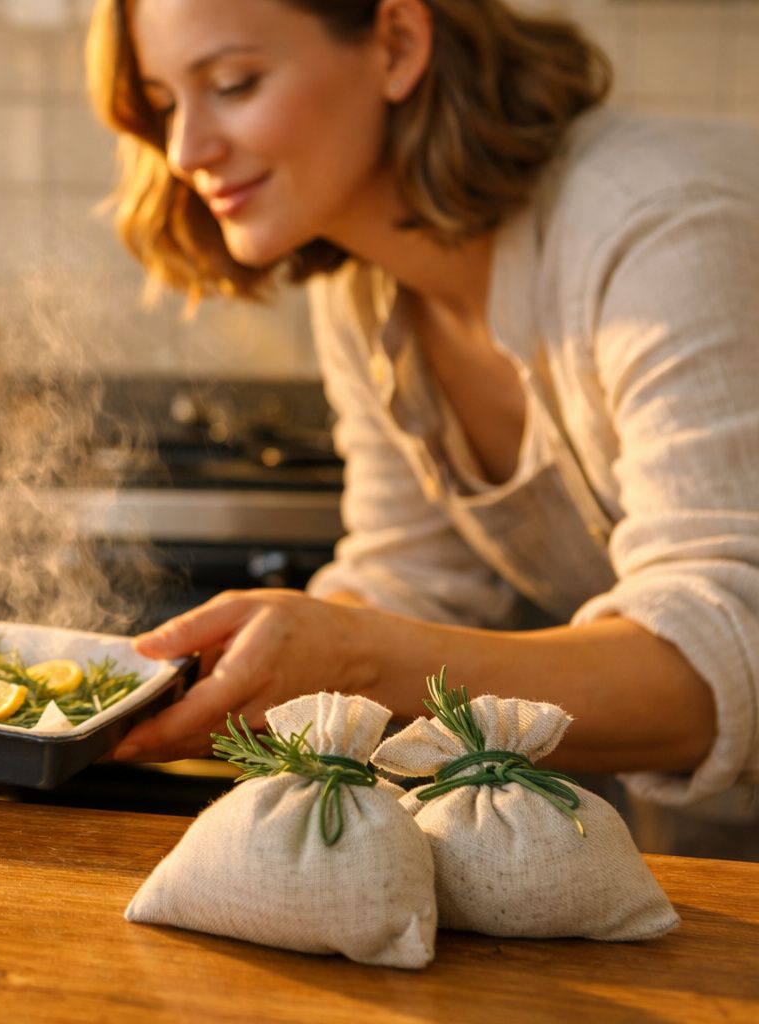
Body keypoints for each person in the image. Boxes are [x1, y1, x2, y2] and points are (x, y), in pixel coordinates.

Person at [87, 0, 759, 855]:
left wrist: (354, 661)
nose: (185, 152)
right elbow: (416, 579)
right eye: (166, 103)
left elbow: (729, 667)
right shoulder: (367, 291)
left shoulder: (661, 227)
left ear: (397, 44)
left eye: (233, 83)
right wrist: (260, 667)